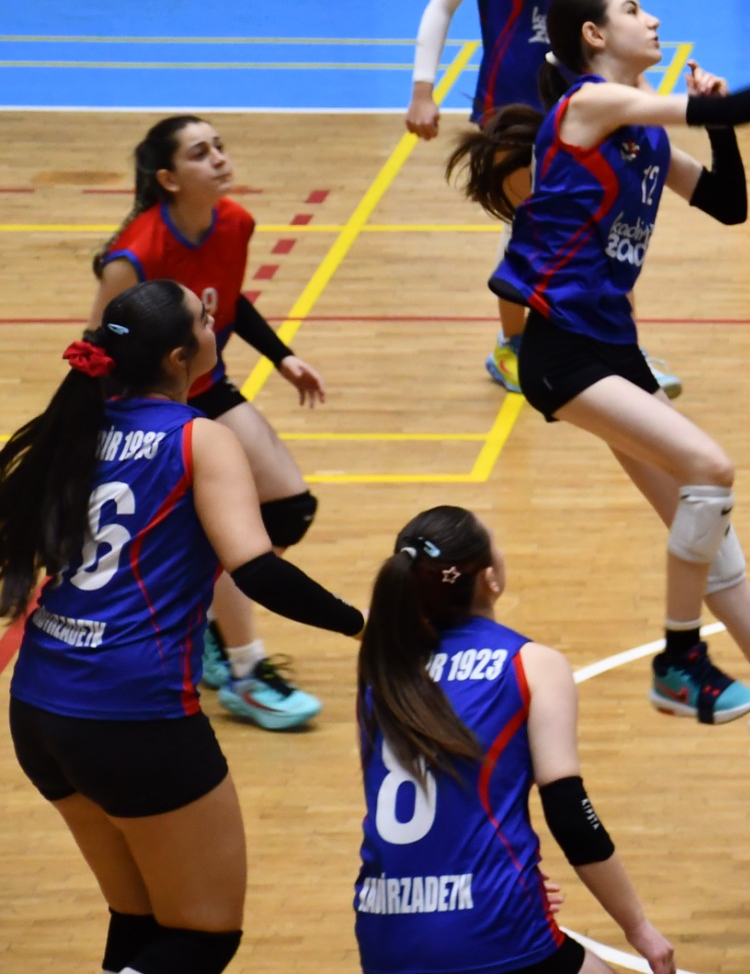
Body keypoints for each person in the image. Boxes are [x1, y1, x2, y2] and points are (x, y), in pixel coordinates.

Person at [450, 0, 750, 746]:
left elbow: (727, 203)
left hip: (612, 345)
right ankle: (680, 659)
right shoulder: (589, 106)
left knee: (713, 533)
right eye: (630, 10)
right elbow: (729, 107)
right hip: (560, 345)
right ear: (592, 37)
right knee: (709, 468)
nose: (651, 20)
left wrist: (720, 130)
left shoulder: (645, 136)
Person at [3, 280, 366, 974]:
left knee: (140, 919)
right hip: (134, 712)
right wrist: (363, 626)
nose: (214, 317)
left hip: (42, 705)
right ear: (180, 357)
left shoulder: (76, 427)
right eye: (205, 318)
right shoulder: (201, 437)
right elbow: (256, 571)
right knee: (203, 936)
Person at [403, 0, 681, 400]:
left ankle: (613, 343)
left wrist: (630, 95)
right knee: (534, 222)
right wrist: (423, 88)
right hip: (510, 110)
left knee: (599, 225)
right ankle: (514, 345)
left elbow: (594, 21)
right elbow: (440, 5)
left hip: (573, 108)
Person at [355, 506, 676, 974]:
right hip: (491, 928)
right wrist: (639, 928)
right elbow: (569, 814)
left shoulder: (381, 675)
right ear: (490, 579)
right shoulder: (531, 664)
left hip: (383, 932)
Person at [91, 116, 332, 733]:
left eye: (220, 146)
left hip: (207, 383)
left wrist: (281, 356)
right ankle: (245, 671)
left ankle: (204, 622)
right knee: (231, 535)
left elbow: (224, 296)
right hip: (151, 402)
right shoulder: (135, 255)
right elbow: (98, 348)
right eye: (201, 153)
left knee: (288, 507)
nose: (220, 158)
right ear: (168, 179)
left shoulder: (235, 224)